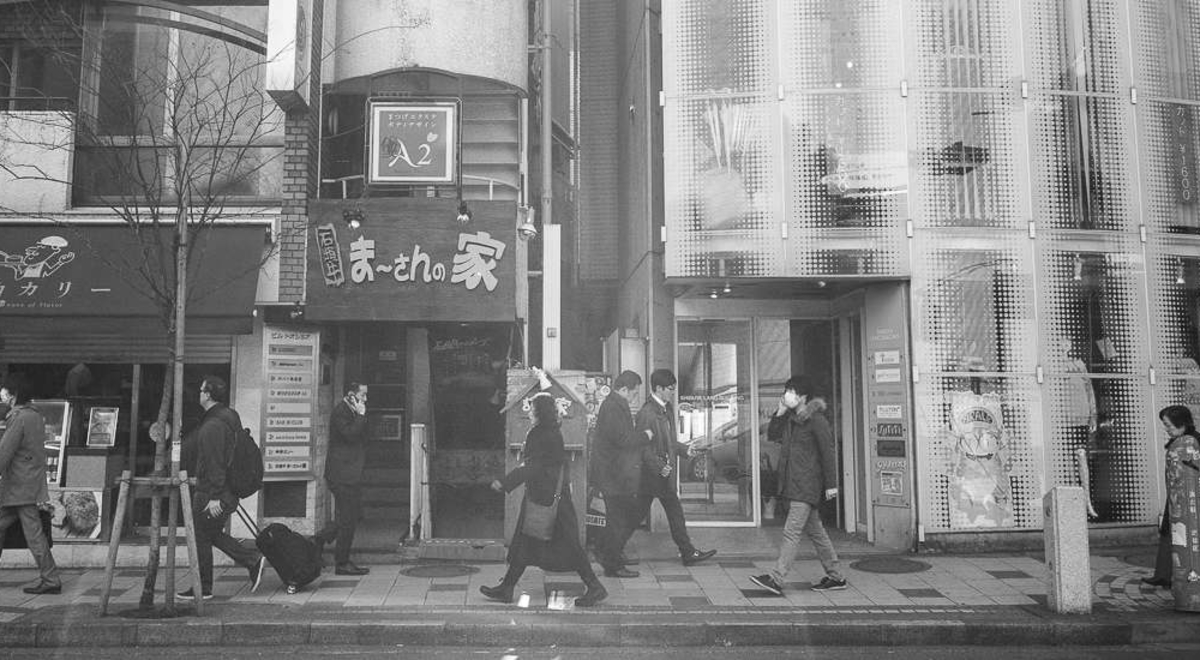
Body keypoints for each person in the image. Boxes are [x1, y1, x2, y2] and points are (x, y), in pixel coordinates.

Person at [480, 391, 607, 607]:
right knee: (526, 543)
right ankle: (507, 587)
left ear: (540, 412)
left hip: (549, 502)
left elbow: (534, 466)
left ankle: (595, 586)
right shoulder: (549, 431)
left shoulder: (541, 434)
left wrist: (506, 482)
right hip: (547, 498)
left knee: (570, 546)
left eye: (533, 408)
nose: (529, 413)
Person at [750, 375, 846, 595]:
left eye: (791, 391)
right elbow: (772, 435)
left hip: (807, 485)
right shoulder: (791, 419)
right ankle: (836, 577)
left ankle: (776, 578)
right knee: (817, 533)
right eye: (786, 390)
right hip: (793, 484)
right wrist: (780, 413)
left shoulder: (817, 421)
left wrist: (832, 484)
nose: (787, 395)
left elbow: (828, 453)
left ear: (803, 396)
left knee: (791, 532)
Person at [179, 375, 265, 600]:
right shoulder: (229, 417)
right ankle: (250, 560)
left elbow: (215, 461)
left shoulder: (213, 425)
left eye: (200, 390)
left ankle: (204, 588)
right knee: (210, 534)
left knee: (201, 536)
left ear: (207, 395)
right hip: (225, 490)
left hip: (213, 492)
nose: (198, 394)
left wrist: (215, 496)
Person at [635, 369, 716, 567]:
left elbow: (669, 442)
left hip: (664, 474)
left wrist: (687, 450)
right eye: (670, 389)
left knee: (672, 512)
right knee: (635, 515)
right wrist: (659, 466)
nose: (672, 392)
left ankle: (687, 551)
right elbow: (643, 447)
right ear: (659, 388)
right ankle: (610, 549)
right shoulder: (647, 412)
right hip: (653, 475)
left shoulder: (666, 409)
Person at [0, 373, 62, 595]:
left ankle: (51, 578)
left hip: (18, 486)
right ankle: (50, 577)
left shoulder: (18, 417)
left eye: (4, 390)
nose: (2, 393)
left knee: (34, 533)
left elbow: (5, 452)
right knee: (31, 531)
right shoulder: (35, 415)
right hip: (27, 483)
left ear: (14, 394)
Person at [593, 370, 652, 578]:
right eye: (634, 393)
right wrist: (645, 435)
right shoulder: (613, 407)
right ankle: (612, 564)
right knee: (620, 519)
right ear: (624, 389)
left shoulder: (615, 404)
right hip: (613, 474)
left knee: (621, 517)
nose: (635, 397)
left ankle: (609, 553)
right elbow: (623, 440)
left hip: (615, 473)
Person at [315, 382, 370, 576]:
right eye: (362, 395)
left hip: (350, 474)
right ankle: (342, 562)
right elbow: (350, 436)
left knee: (350, 516)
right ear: (351, 395)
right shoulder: (341, 412)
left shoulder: (351, 411)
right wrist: (362, 415)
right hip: (341, 475)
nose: (365, 399)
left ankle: (318, 541)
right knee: (348, 518)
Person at [1149, 405, 1200, 611]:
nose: (1166, 429)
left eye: (1169, 425)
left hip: (1190, 504)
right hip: (1178, 503)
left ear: (1182, 423)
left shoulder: (1191, 443)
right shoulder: (1179, 442)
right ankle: (1173, 581)